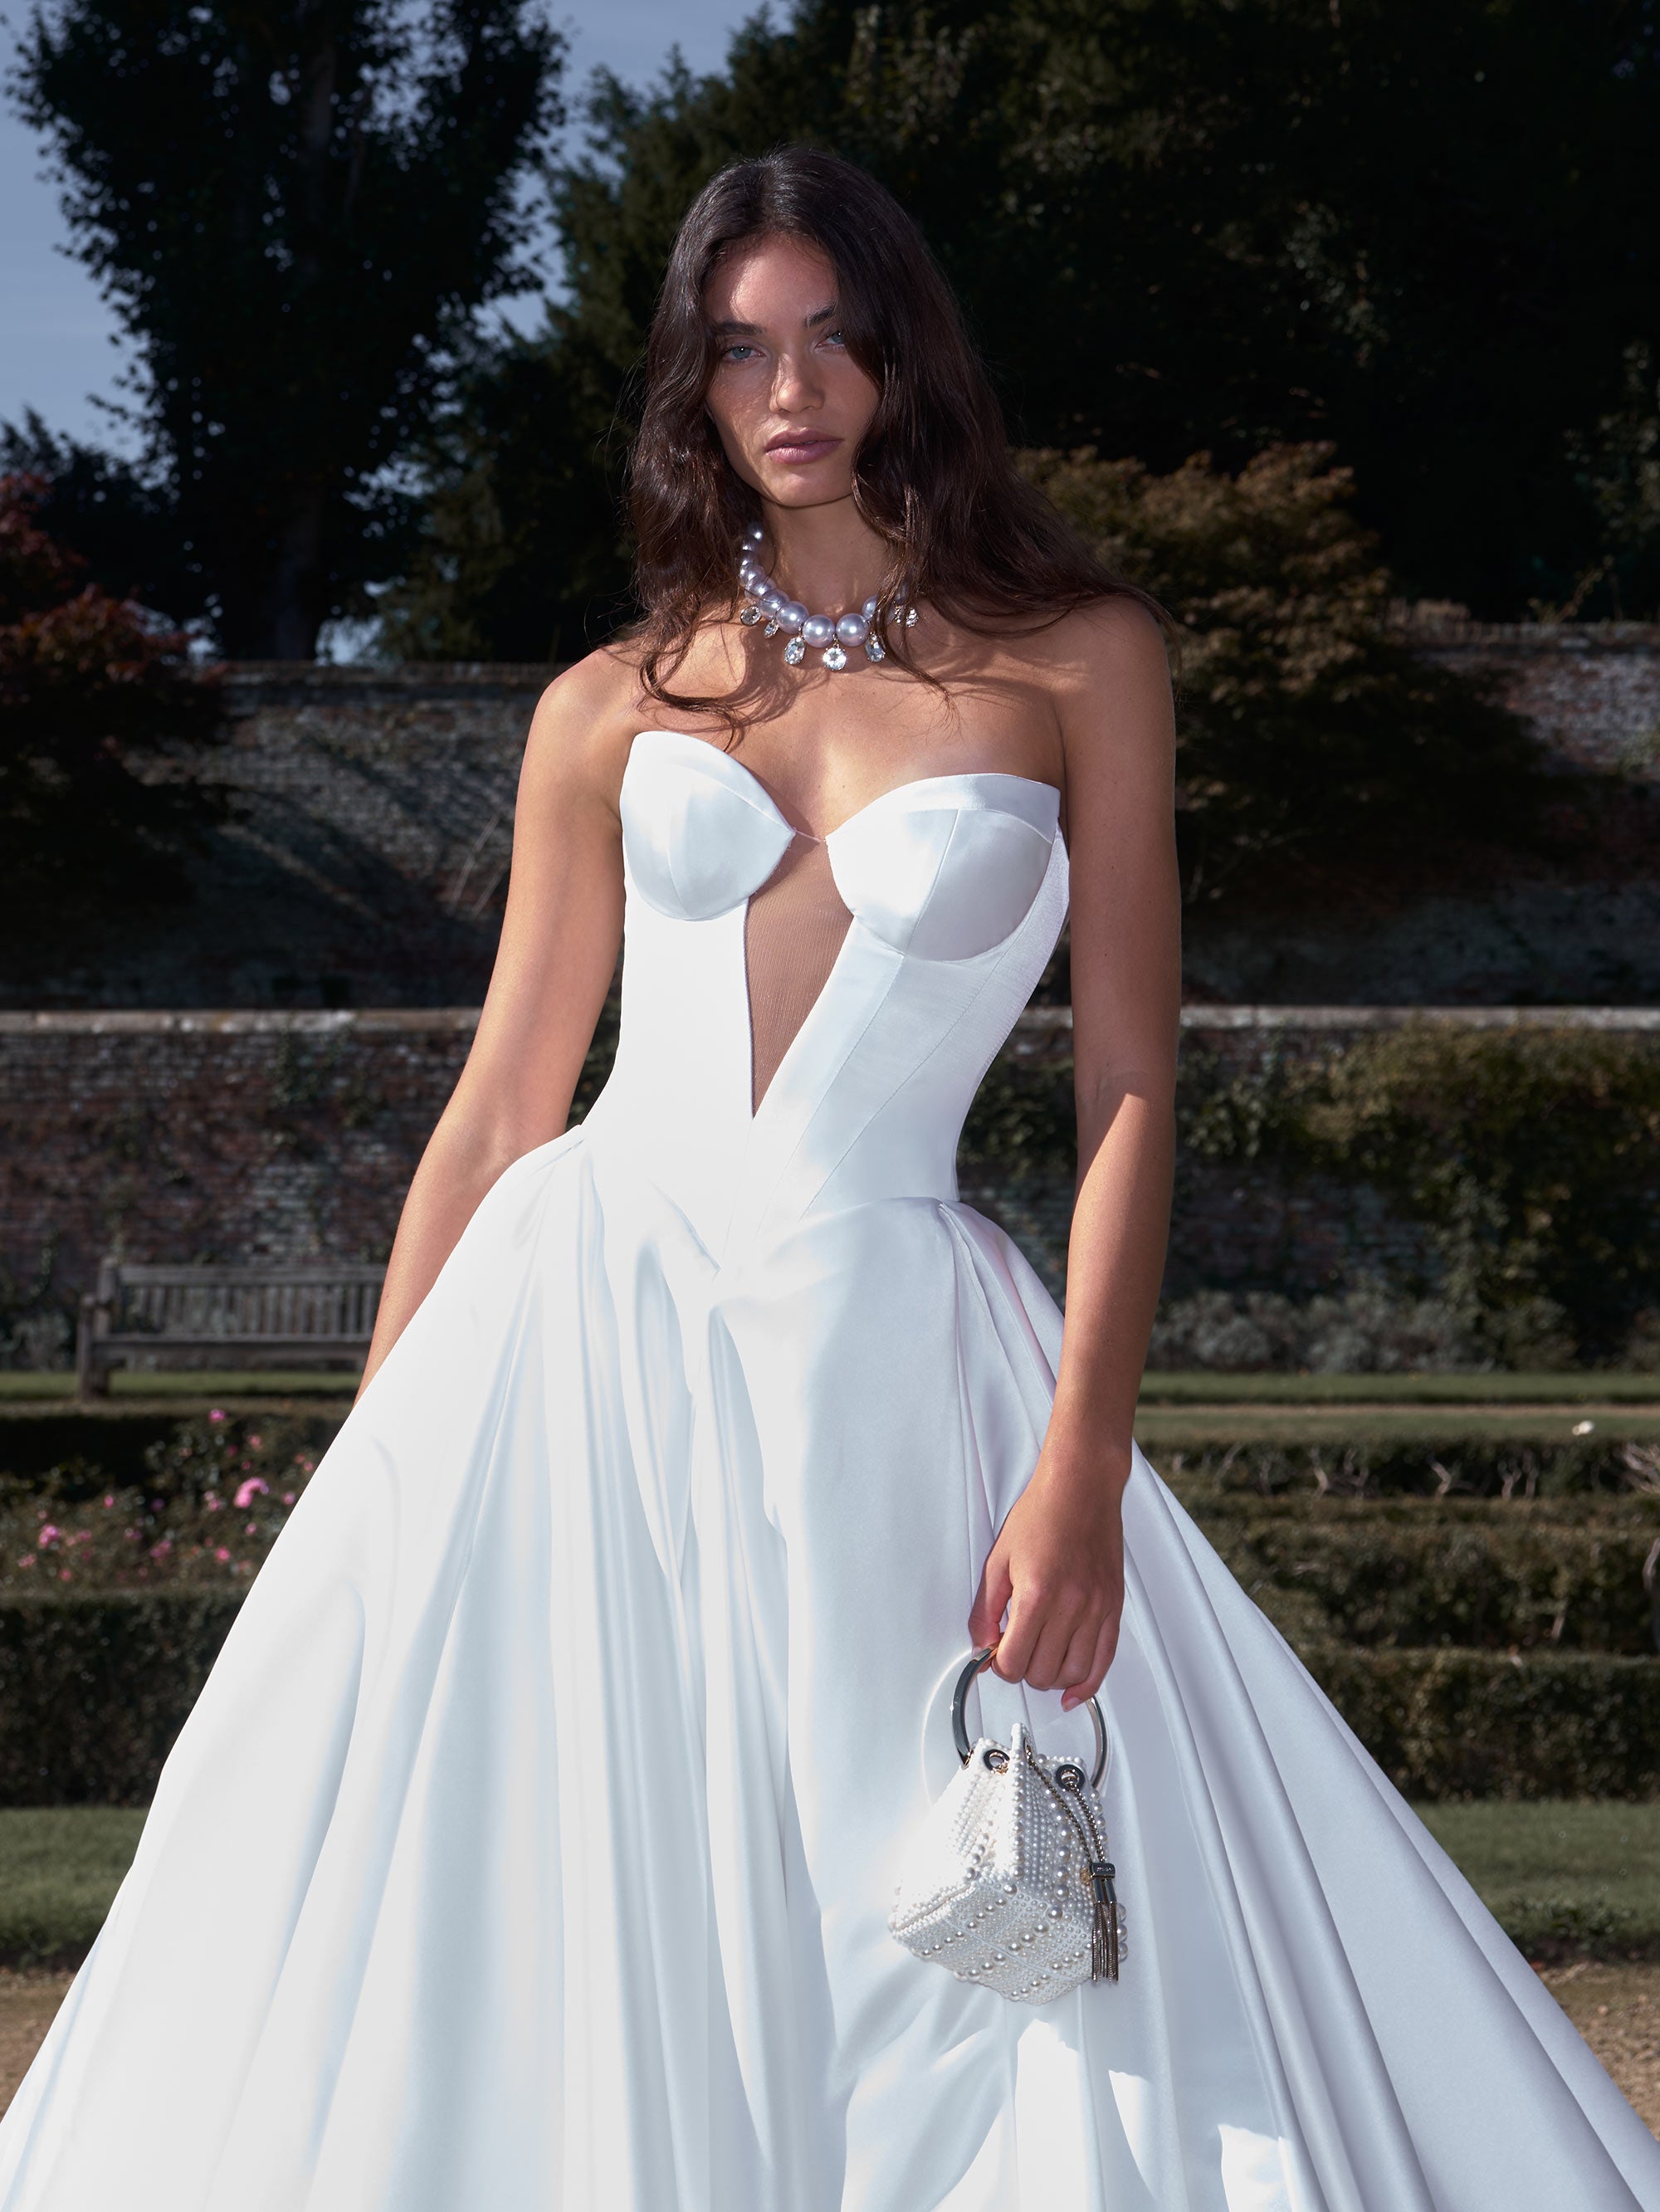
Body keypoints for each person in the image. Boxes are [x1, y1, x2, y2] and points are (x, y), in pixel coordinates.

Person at [1, 145, 1655, 2212]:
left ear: (899, 354)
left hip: (891, 1350)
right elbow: (506, 1101)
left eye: (828, 340)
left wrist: (1080, 1469)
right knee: (530, 1892)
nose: (787, 391)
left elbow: (1134, 1082)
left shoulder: (1077, 659)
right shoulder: (604, 702)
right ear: (692, 389)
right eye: (735, 351)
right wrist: (375, 1456)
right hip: (576, 1337)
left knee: (950, 1926)